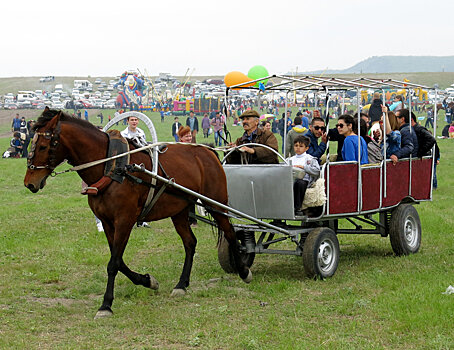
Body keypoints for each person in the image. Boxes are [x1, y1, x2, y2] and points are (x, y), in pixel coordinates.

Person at [287, 135, 320, 216]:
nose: (298, 148)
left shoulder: (310, 159)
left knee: (300, 183)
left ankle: (297, 208)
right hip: (291, 180)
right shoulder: (290, 159)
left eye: (301, 146)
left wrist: (304, 168)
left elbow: (317, 171)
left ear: (306, 148)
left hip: (305, 182)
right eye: (296, 146)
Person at [177, 126, 197, 227]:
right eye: (186, 136)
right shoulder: (178, 149)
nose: (189, 138)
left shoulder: (194, 148)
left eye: (190, 136)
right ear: (181, 138)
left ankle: (193, 219)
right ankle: (188, 219)